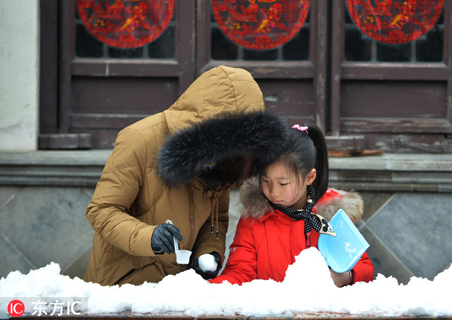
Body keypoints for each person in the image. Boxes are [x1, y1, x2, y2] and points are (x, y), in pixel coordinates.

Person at [84, 65, 288, 286]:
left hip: (177, 290)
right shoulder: (138, 139)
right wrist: (149, 237)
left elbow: (216, 219)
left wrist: (209, 254)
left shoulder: (227, 157)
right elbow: (101, 211)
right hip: (123, 287)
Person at [210, 123, 374, 287]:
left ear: (310, 177)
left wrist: (347, 276)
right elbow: (239, 273)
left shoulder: (333, 217)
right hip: (272, 310)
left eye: (283, 184)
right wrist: (208, 291)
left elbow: (364, 268)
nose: (273, 192)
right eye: (266, 181)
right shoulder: (254, 221)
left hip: (322, 311)